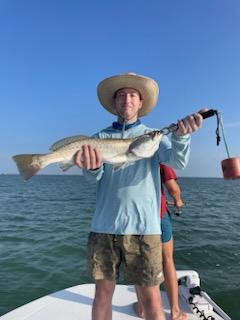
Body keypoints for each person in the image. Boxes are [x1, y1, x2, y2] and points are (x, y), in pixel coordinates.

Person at [74, 72, 205, 320]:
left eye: (132, 94)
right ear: (115, 103)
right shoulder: (99, 138)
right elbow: (93, 178)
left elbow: (178, 161)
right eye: (121, 95)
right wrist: (90, 167)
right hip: (104, 228)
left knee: (151, 298)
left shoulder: (155, 136)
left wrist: (182, 136)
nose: (127, 99)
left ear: (141, 102)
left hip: (145, 229)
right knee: (102, 295)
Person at [133, 163, 187, 320]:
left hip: (135, 218)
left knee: (139, 261)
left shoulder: (131, 157)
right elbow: (173, 188)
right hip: (159, 215)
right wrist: (178, 200)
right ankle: (175, 311)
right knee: (167, 260)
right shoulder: (160, 157)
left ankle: (142, 308)